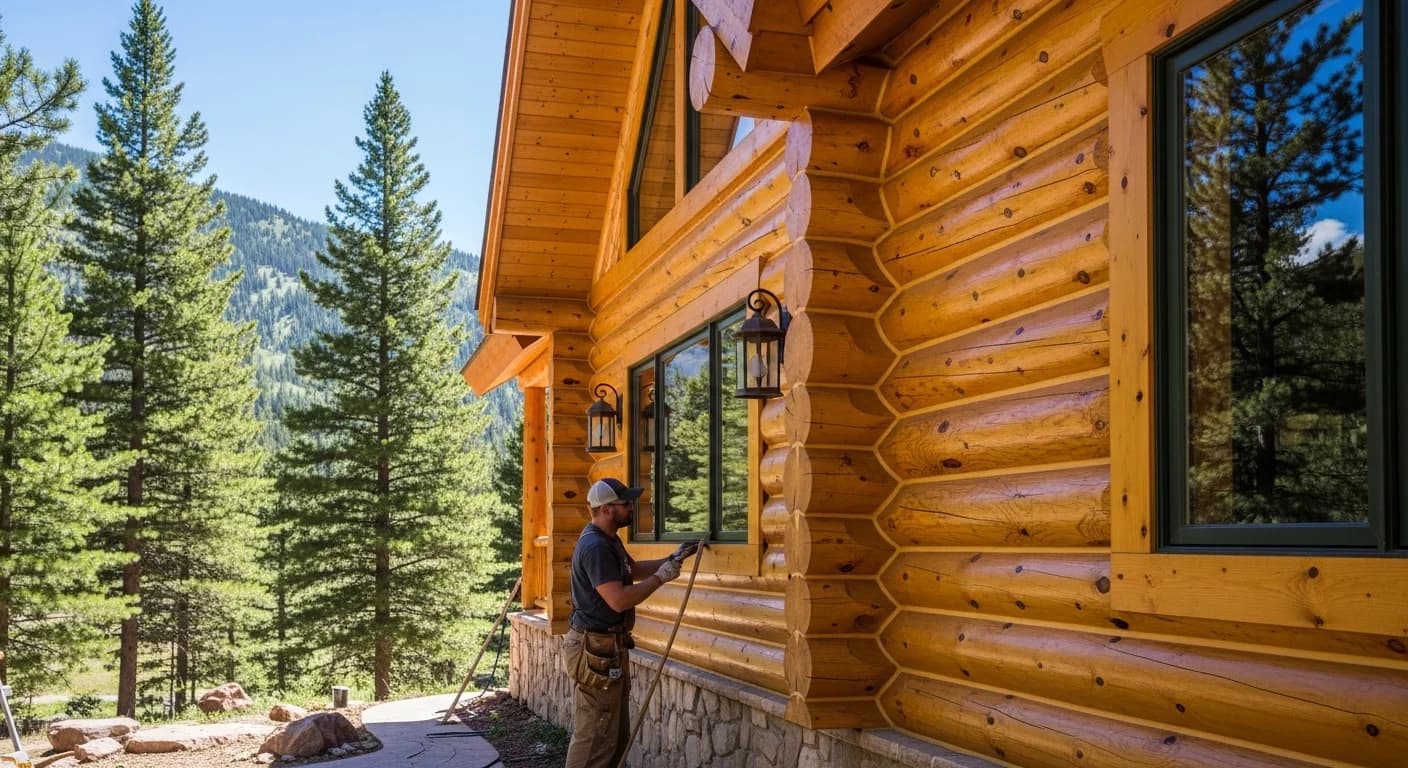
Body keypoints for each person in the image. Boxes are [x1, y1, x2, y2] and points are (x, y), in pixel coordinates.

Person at [563, 477, 698, 768]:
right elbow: (619, 599)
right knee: (596, 734)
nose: (633, 507)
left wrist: (671, 558)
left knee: (611, 734)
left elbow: (632, 570)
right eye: (626, 503)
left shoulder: (609, 540)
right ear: (608, 509)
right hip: (594, 649)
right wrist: (662, 577)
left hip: (606, 647)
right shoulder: (596, 547)